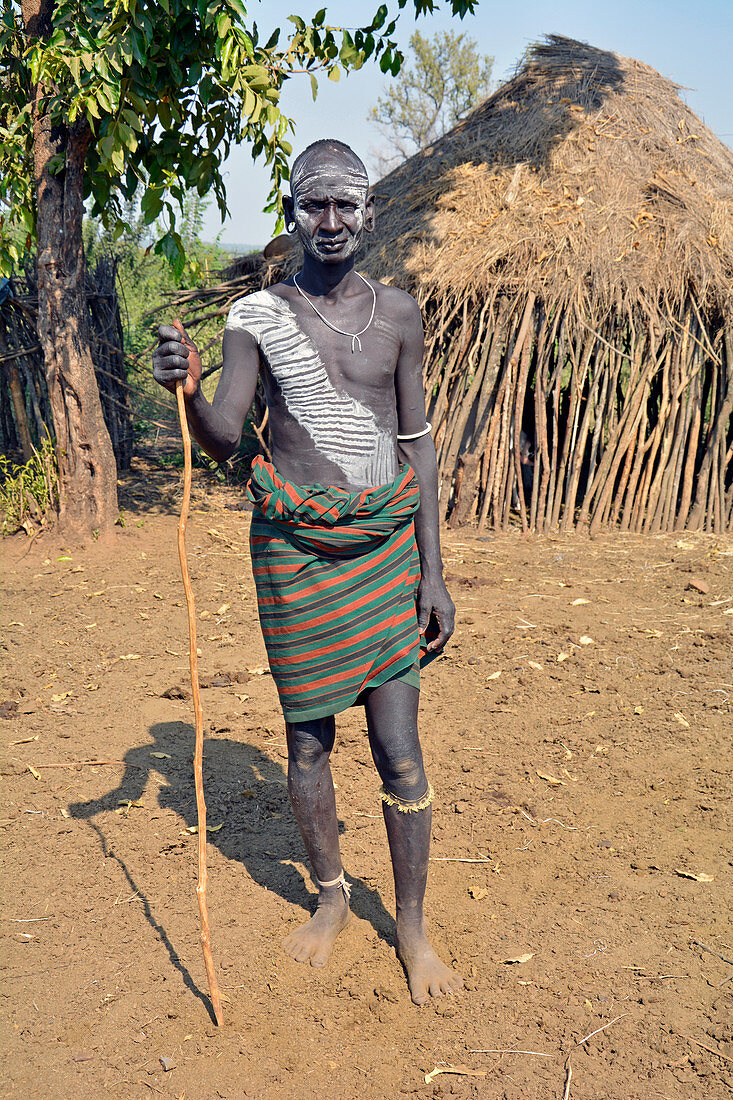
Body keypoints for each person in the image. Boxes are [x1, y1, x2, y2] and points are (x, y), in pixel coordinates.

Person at [152, 139, 462, 1004]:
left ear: (368, 212)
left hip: (384, 549)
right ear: (291, 212)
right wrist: (184, 390)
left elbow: (418, 446)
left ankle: (408, 923)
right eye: (313, 205)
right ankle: (330, 898)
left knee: (398, 748)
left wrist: (433, 573)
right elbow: (222, 439)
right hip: (292, 551)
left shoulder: (399, 313)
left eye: (345, 205)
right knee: (307, 741)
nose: (330, 221)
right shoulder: (258, 317)